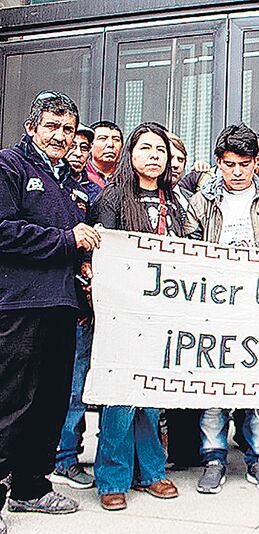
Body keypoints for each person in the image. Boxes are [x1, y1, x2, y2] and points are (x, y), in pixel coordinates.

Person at [0, 92, 99, 528]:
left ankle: (30, 487)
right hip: (20, 306)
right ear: (31, 127)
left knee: (49, 403)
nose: (61, 136)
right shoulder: (10, 166)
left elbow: (73, 241)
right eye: (52, 126)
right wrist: (66, 240)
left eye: (68, 129)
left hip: (61, 305)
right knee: (10, 404)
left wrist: (83, 259)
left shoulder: (66, 180)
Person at [182, 124, 259, 494]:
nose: (238, 172)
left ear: (257, 163)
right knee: (214, 387)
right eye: (230, 164)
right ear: (218, 162)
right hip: (216, 307)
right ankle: (214, 458)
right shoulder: (202, 202)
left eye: (245, 164)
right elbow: (186, 249)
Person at [90, 122, 183, 511]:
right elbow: (103, 254)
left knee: (151, 395)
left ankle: (152, 473)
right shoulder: (112, 199)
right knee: (120, 398)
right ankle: (113, 478)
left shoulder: (174, 202)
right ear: (131, 154)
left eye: (160, 150)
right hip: (122, 313)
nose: (154, 156)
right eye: (146, 148)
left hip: (160, 314)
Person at [49, 122, 100, 492]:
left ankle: (66, 456)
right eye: (74, 145)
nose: (78, 152)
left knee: (75, 385)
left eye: (85, 147)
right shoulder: (42, 183)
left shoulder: (91, 193)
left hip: (81, 304)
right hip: (43, 298)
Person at [86, 120, 123, 189]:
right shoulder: (80, 175)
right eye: (103, 139)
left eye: (116, 140)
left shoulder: (127, 176)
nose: (111, 144)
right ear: (90, 145)